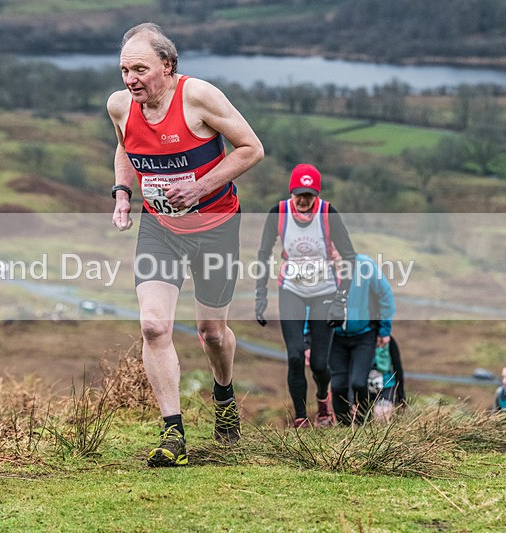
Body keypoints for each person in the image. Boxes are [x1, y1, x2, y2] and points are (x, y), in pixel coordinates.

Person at [108, 23, 264, 467]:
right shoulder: (120, 106)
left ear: (168, 65)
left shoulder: (199, 97)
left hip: (216, 227)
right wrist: (122, 193)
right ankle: (172, 433)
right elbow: (125, 148)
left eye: (140, 69)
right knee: (153, 325)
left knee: (211, 332)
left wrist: (200, 186)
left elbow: (251, 148)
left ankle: (224, 395)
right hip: (160, 229)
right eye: (124, 70)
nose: (131, 79)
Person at [255, 164, 356, 428]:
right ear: (291, 192)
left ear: (317, 195)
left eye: (309, 195)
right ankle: (300, 418)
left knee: (320, 364)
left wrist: (341, 300)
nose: (303, 200)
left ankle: (323, 400)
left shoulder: (328, 213)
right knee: (295, 356)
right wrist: (260, 295)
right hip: (292, 290)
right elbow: (264, 253)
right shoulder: (278, 213)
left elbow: (349, 257)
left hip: (325, 291)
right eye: (299, 194)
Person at [329, 253, 396, 425]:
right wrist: (309, 337)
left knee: (359, 383)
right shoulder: (322, 267)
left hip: (364, 335)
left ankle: (361, 423)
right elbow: (311, 303)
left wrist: (384, 330)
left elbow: (385, 295)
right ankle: (344, 428)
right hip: (334, 337)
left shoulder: (365, 265)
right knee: (338, 386)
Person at [366, 336, 406, 424]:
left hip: (386, 385)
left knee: (382, 414)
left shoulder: (389, 341)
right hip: (363, 387)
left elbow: (397, 367)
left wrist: (401, 397)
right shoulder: (359, 338)